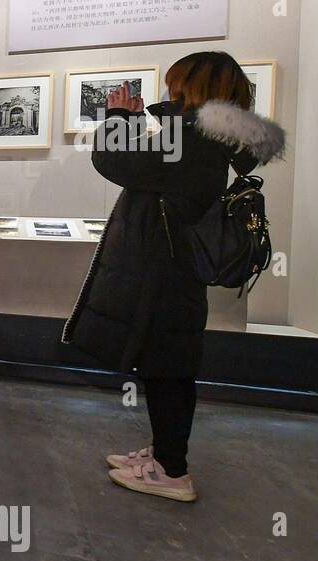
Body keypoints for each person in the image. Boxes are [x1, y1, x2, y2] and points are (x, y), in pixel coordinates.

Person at [62, 52, 285, 501]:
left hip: (164, 276)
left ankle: (171, 472)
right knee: (167, 368)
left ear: (193, 88)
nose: (170, 92)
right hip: (172, 274)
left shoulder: (195, 139)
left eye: (176, 84)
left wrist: (119, 116)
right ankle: (165, 453)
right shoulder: (206, 140)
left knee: (168, 372)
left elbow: (114, 161)